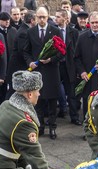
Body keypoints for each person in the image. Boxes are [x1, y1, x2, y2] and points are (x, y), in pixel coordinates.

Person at [23, 6, 64, 140]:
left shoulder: (55, 30)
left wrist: (51, 59)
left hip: (51, 71)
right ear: (35, 18)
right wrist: (30, 62)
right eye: (39, 17)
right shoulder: (31, 32)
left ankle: (52, 127)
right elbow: (26, 51)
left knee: (52, 100)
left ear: (48, 17)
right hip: (37, 71)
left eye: (44, 17)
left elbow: (62, 52)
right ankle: (39, 126)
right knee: (37, 101)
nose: (41, 20)